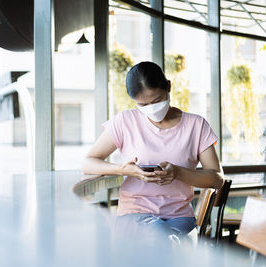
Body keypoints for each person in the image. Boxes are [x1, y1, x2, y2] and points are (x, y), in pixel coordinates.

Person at [81, 61, 224, 243]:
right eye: (143, 104)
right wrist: (124, 170)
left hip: (178, 217)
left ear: (168, 87)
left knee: (165, 242)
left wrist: (178, 172)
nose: (152, 109)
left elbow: (217, 179)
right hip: (134, 214)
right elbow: (88, 163)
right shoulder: (126, 121)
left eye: (157, 101)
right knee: (165, 241)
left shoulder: (196, 125)